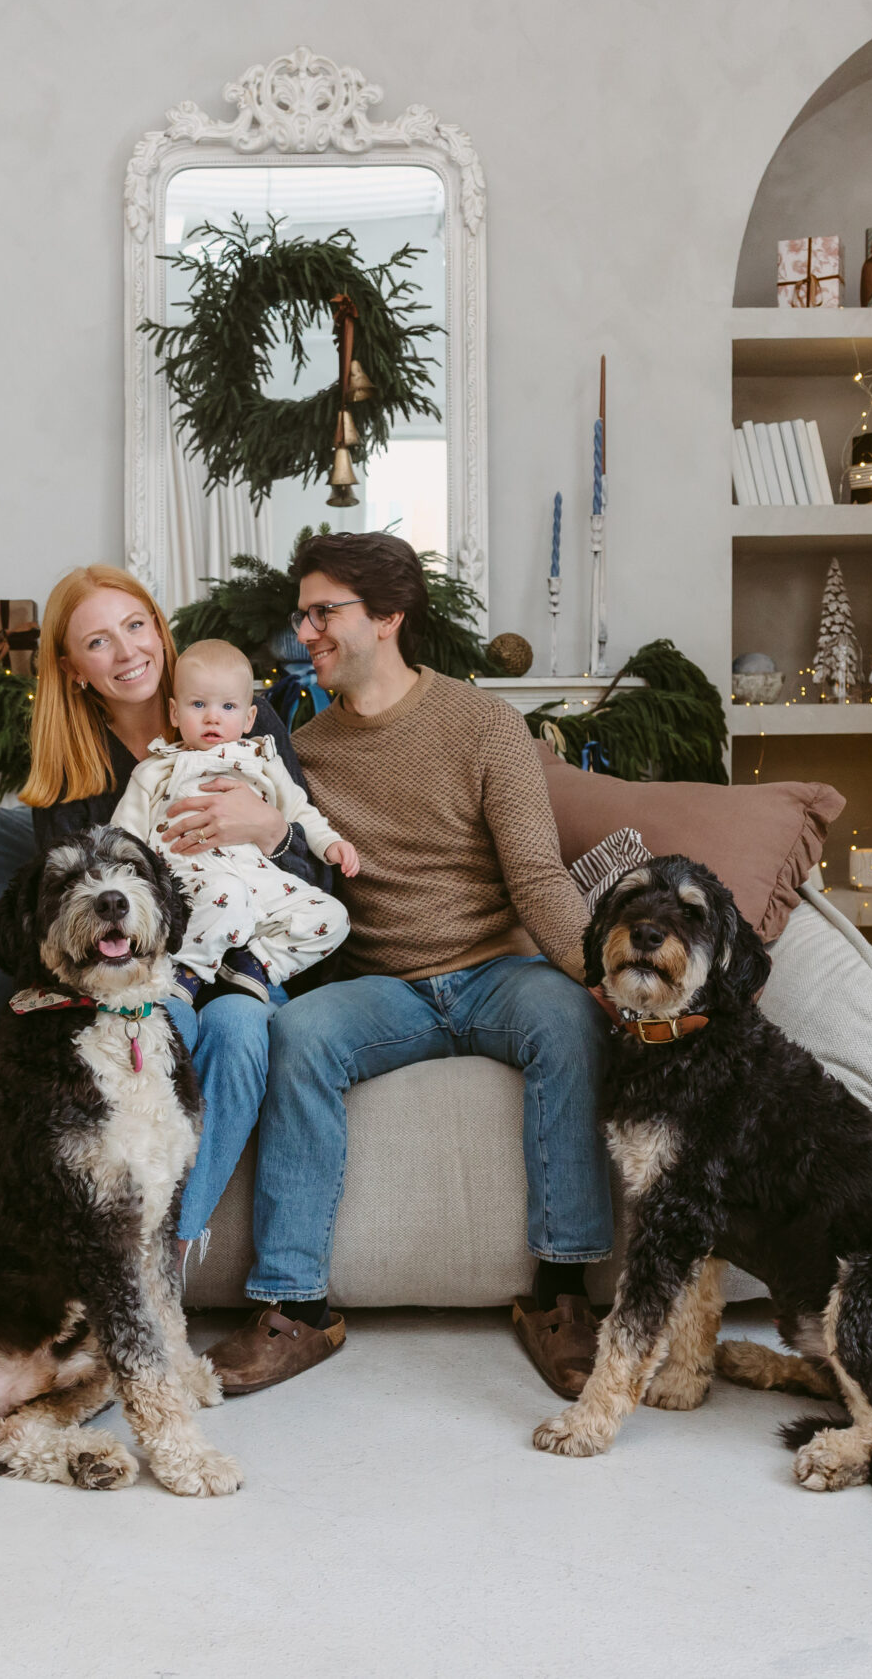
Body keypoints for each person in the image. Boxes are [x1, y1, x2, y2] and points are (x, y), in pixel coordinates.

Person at [204, 532, 612, 1399]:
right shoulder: (302, 752)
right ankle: (297, 1307)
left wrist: (602, 979)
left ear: (388, 616)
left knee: (568, 1018)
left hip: (498, 970)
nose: (304, 630)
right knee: (300, 1033)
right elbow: (286, 871)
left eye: (325, 612)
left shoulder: (484, 724)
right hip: (382, 985)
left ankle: (562, 1293)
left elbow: (537, 876)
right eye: (301, 612)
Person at [19, 565, 331, 1258]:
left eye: (135, 627)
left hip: (248, 959)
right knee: (166, 1021)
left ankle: (168, 1242)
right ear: (73, 669)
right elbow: (70, 919)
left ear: (159, 632)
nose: (126, 651)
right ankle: (141, 1246)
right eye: (98, 641)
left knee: (243, 1022)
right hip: (144, 974)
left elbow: (320, 877)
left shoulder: (238, 715)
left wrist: (270, 831)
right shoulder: (71, 775)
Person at [110, 638, 359, 1004]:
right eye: (199, 705)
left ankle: (253, 963)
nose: (213, 717)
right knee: (226, 892)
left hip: (261, 881)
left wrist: (330, 843)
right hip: (195, 882)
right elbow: (122, 837)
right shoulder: (157, 769)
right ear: (175, 714)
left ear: (248, 719)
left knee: (333, 916)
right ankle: (187, 970)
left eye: (227, 706)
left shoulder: (263, 764)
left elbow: (299, 810)